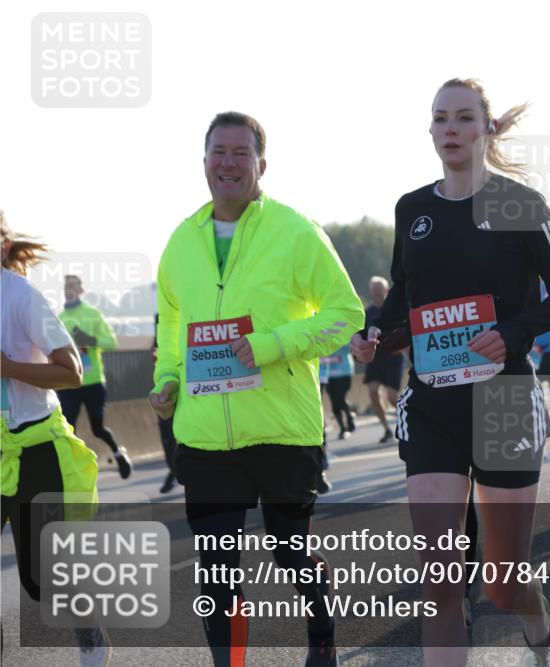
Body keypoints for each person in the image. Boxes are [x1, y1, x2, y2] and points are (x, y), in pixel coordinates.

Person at [351, 78, 550, 666]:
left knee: (504, 581)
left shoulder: (521, 204)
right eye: (439, 119)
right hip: (432, 402)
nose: (449, 130)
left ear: (488, 129)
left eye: (462, 119)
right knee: (440, 580)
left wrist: (510, 333)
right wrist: (378, 332)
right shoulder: (413, 209)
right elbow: (403, 297)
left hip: (503, 401)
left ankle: (540, 628)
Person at [149, 111, 365, 667]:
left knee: (291, 552)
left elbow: (346, 314)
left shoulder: (295, 231)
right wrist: (167, 378)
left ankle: (322, 637)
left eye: (240, 153)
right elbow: (172, 324)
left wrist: (273, 344)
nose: (227, 163)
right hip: (204, 436)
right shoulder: (181, 241)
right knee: (216, 573)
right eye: (218, 152)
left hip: (280, 429)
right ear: (203, 162)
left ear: (260, 164)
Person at [0, 213, 108, 665]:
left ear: (4, 245)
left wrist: (7, 368)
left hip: (34, 449)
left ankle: (91, 635)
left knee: (43, 579)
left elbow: (71, 371)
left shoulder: (20, 297)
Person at [56, 274, 132, 479]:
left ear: (81, 290)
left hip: (93, 381)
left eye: (72, 286)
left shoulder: (92, 314)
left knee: (98, 429)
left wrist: (90, 339)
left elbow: (112, 342)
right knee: (68, 429)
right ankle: (78, 468)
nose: (68, 289)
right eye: (65, 286)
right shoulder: (59, 319)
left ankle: (119, 454)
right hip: (69, 382)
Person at [362, 276, 406, 443]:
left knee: (392, 397)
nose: (376, 295)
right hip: (375, 358)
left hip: (393, 358)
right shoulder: (368, 312)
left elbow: (406, 330)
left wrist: (403, 348)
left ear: (386, 291)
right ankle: (387, 429)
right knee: (373, 393)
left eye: (379, 292)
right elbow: (363, 333)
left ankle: (408, 420)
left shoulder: (395, 309)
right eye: (373, 292)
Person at [152, 313, 179, 493]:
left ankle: (177, 471)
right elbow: (157, 347)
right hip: (166, 387)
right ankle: (173, 470)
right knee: (167, 434)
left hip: (190, 387)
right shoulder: (160, 317)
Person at [324, 343, 356, 440]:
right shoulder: (323, 336)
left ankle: (349, 415)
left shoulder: (342, 334)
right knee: (334, 403)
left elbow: (353, 347)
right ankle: (343, 428)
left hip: (344, 372)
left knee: (340, 398)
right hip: (329, 374)